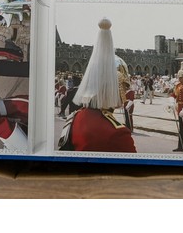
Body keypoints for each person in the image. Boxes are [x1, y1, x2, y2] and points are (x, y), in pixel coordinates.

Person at [58, 18, 137, 153]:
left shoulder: (75, 117)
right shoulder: (118, 133)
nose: (125, 90)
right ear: (113, 86)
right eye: (123, 86)